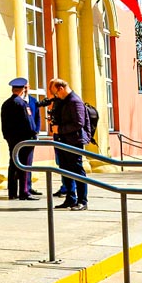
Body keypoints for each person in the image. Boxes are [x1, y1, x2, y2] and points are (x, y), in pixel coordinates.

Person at [48, 79, 92, 210]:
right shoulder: (63, 101)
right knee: (65, 170)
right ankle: (70, 199)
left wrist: (59, 129)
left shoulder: (75, 101)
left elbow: (79, 123)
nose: (56, 96)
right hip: (63, 141)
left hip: (74, 141)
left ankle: (82, 201)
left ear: (61, 88)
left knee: (77, 171)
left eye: (55, 92)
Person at [0, 79, 38, 200]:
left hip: (12, 139)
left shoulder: (6, 103)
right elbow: (30, 123)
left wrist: (7, 137)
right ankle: (24, 191)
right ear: (22, 90)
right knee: (25, 165)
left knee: (13, 164)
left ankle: (12, 192)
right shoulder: (22, 104)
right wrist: (34, 135)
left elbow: (4, 123)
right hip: (25, 139)